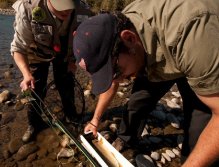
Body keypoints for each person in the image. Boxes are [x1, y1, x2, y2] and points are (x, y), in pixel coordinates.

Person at [72, 0, 219, 166]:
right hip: (156, 56)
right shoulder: (122, 28)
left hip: (203, 54)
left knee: (198, 125)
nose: (119, 80)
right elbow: (112, 81)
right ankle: (126, 139)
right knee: (137, 101)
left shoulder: (192, 32)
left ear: (129, 38)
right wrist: (95, 120)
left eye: (117, 72)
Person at [10, 0, 93, 142]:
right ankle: (34, 124)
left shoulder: (83, 10)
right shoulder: (28, 8)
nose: (66, 11)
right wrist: (26, 74)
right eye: (61, 7)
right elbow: (18, 48)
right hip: (36, 51)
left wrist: (73, 62)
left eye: (70, 7)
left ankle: (71, 116)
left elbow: (84, 40)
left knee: (66, 83)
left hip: (64, 52)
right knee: (36, 86)